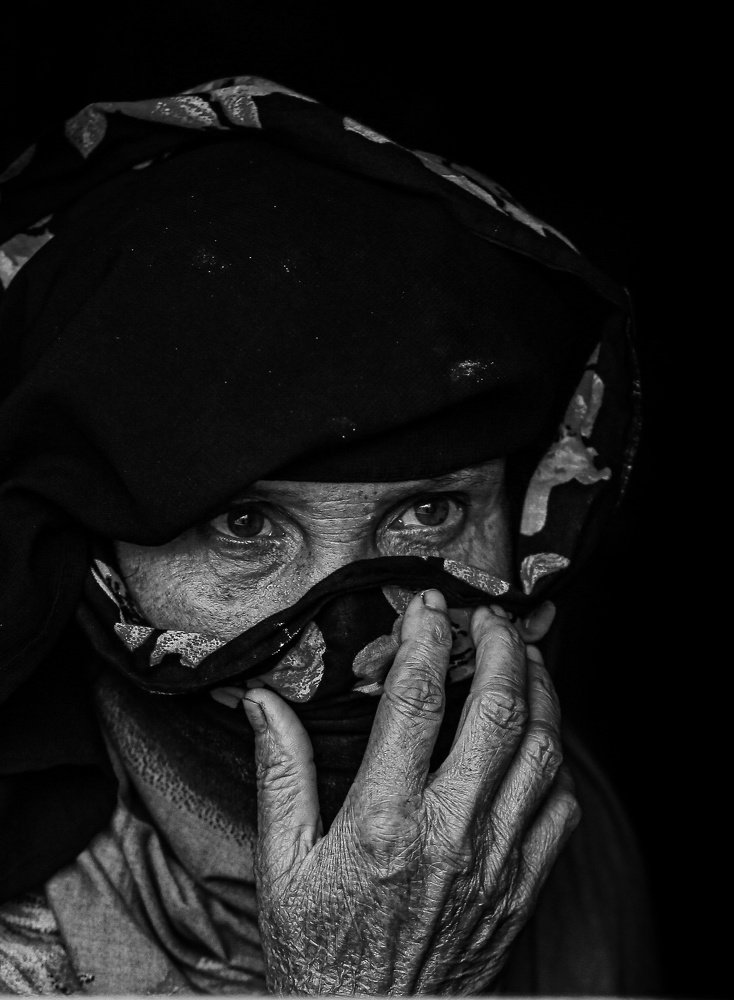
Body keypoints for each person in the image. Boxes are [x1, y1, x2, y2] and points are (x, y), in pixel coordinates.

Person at [0, 75, 657, 994]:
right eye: (243, 525)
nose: (357, 644)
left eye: (430, 513)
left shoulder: (544, 806)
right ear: (92, 553)